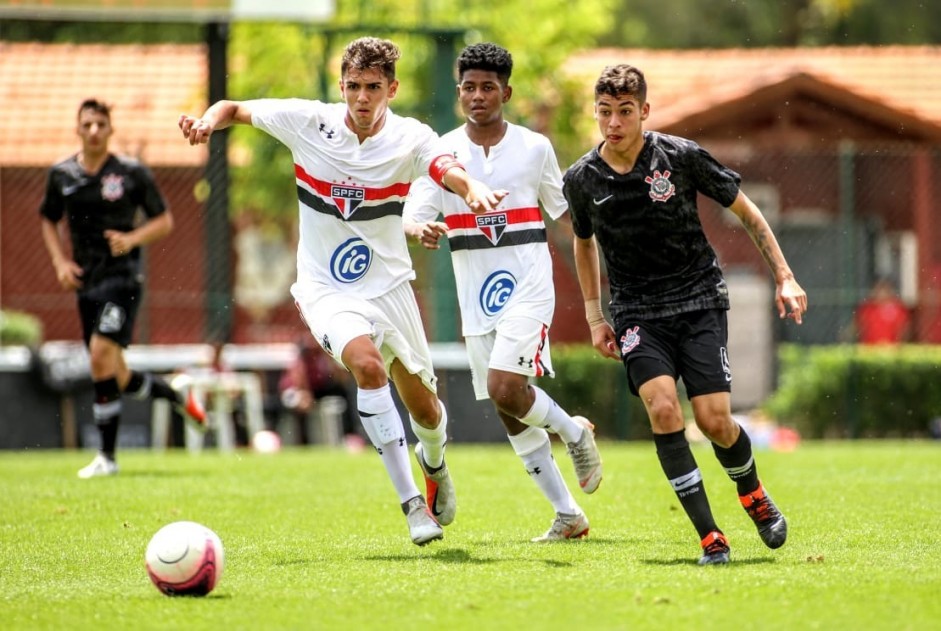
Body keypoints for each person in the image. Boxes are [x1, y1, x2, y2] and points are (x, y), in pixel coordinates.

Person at [178, 37, 507, 546]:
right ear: (341, 86)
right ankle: (412, 505)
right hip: (325, 287)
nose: (361, 98)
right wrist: (206, 122)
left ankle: (434, 462)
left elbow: (445, 167)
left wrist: (471, 190)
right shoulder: (310, 122)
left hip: (391, 286)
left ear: (392, 89)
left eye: (373, 87)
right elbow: (234, 108)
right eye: (353, 86)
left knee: (427, 412)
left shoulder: (411, 137)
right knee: (368, 366)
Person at [565, 64, 808, 565]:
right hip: (636, 311)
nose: (613, 122)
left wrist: (784, 275)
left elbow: (747, 211)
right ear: (596, 112)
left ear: (644, 112)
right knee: (663, 409)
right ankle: (709, 536)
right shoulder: (583, 178)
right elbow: (583, 243)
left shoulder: (680, 157)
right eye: (605, 112)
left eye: (625, 112)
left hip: (698, 300)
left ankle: (754, 496)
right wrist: (595, 316)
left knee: (715, 420)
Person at [403, 43, 602, 543]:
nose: (477, 95)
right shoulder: (442, 152)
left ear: (506, 92)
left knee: (504, 389)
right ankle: (568, 515)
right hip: (476, 298)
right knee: (508, 407)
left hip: (530, 287)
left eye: (488, 87)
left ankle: (575, 434)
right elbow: (414, 212)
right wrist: (420, 228)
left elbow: (567, 217)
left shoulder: (535, 148)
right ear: (458, 94)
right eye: (468, 87)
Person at [39, 98, 207, 479]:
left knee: (99, 355)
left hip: (123, 279)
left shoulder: (130, 173)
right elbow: (48, 219)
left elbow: (164, 220)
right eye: (88, 125)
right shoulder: (61, 174)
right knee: (115, 374)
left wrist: (132, 239)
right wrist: (59, 262)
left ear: (111, 130)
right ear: (77, 129)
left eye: (101, 124)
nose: (95, 131)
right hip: (87, 282)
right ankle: (176, 396)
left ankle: (107, 458)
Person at [278, 335, 362, 449]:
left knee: (346, 393)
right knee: (301, 405)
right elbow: (298, 378)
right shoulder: (301, 357)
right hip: (294, 391)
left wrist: (330, 360)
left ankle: (350, 435)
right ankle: (301, 443)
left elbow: (341, 379)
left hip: (317, 390)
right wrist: (305, 394)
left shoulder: (324, 354)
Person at [855, 278, 911, 345]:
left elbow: (904, 330)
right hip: (870, 349)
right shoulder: (867, 309)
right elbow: (860, 328)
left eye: (883, 290)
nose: (881, 293)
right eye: (878, 290)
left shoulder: (898, 308)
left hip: (891, 349)